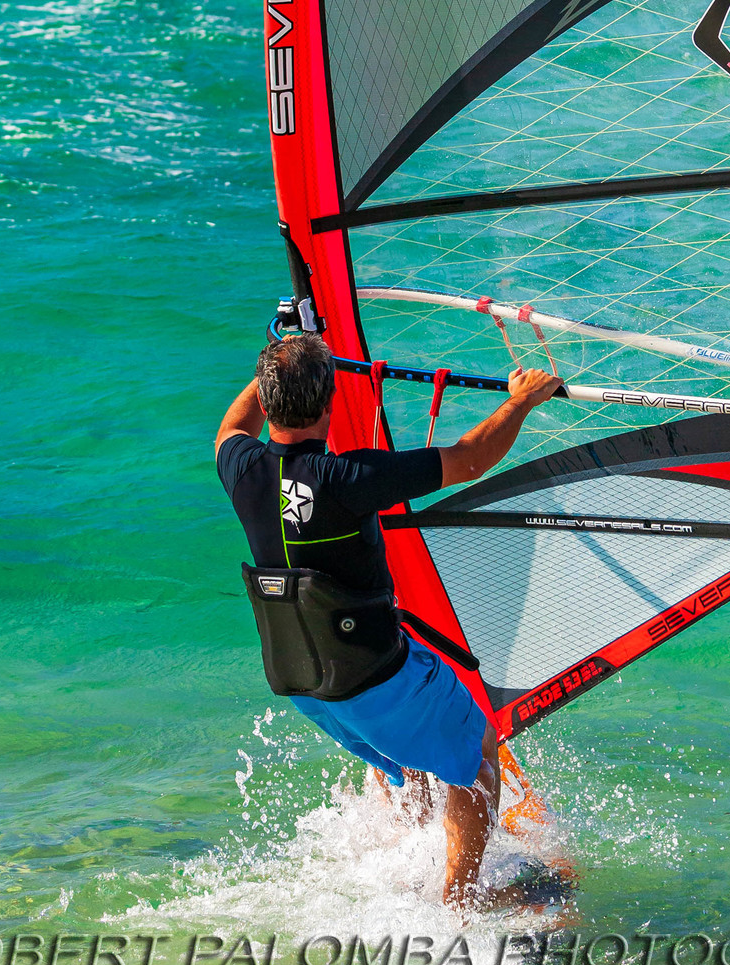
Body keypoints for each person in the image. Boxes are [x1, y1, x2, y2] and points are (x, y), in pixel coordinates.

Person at [215, 331, 563, 911]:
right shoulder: (350, 479)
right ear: (330, 402)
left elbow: (231, 426)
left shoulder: (241, 469)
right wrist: (522, 399)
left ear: (268, 401)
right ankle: (460, 903)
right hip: (372, 674)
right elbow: (470, 458)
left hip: (303, 682)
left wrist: (278, 353)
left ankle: (400, 858)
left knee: (404, 746)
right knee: (478, 755)